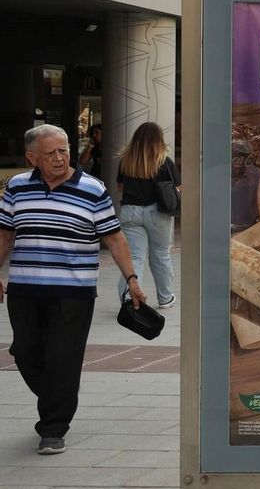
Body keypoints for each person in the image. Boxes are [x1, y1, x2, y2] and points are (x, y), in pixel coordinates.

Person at [0, 124, 146, 455]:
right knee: (24, 351)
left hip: (73, 291)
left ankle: (53, 427)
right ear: (31, 157)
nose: (60, 157)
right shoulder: (17, 187)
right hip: (24, 289)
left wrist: (133, 279)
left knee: (63, 358)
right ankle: (55, 397)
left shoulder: (92, 189)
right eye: (50, 152)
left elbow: (114, 237)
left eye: (64, 150)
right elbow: (5, 235)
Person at [115, 122, 179, 309]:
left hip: (130, 211)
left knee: (134, 257)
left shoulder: (126, 160)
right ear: (159, 139)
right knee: (160, 255)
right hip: (157, 212)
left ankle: (129, 299)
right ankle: (165, 298)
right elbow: (177, 188)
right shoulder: (164, 162)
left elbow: (120, 187)